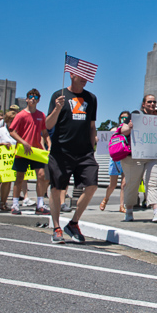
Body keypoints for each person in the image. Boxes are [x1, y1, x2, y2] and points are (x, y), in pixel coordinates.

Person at [45, 73, 100, 244]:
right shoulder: (58, 95)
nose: (85, 78)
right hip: (61, 151)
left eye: (87, 76)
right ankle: (56, 227)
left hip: (84, 152)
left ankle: (73, 223)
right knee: (57, 188)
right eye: (81, 75)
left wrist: (92, 148)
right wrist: (57, 108)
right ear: (71, 75)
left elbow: (92, 126)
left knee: (92, 185)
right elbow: (47, 125)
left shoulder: (91, 98)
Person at [118, 95, 157, 223]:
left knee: (153, 182)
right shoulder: (135, 115)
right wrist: (130, 126)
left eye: (154, 101)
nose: (152, 103)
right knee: (132, 184)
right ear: (143, 104)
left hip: (151, 156)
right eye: (149, 101)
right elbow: (122, 131)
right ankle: (129, 210)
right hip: (134, 156)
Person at [9, 89, 51, 216]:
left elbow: (44, 133)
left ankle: (40, 205)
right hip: (22, 151)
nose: (33, 99)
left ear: (38, 100)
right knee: (19, 178)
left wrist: (49, 143)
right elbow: (12, 131)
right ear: (27, 99)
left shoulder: (41, 115)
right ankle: (15, 204)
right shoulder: (20, 115)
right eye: (31, 96)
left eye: (36, 97)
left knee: (41, 176)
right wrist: (24, 142)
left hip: (36, 150)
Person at [99, 111, 130, 213]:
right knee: (112, 185)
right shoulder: (114, 130)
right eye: (122, 117)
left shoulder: (130, 130)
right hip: (115, 160)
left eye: (126, 117)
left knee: (124, 184)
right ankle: (106, 198)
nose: (124, 119)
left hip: (125, 158)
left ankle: (122, 206)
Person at [0, 108, 18, 212]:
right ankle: (0, 201)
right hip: (1, 161)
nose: (12, 123)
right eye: (10, 121)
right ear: (6, 121)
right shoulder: (0, 131)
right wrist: (2, 144)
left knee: (8, 182)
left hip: (12, 160)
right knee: (4, 181)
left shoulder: (17, 132)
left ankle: (3, 202)